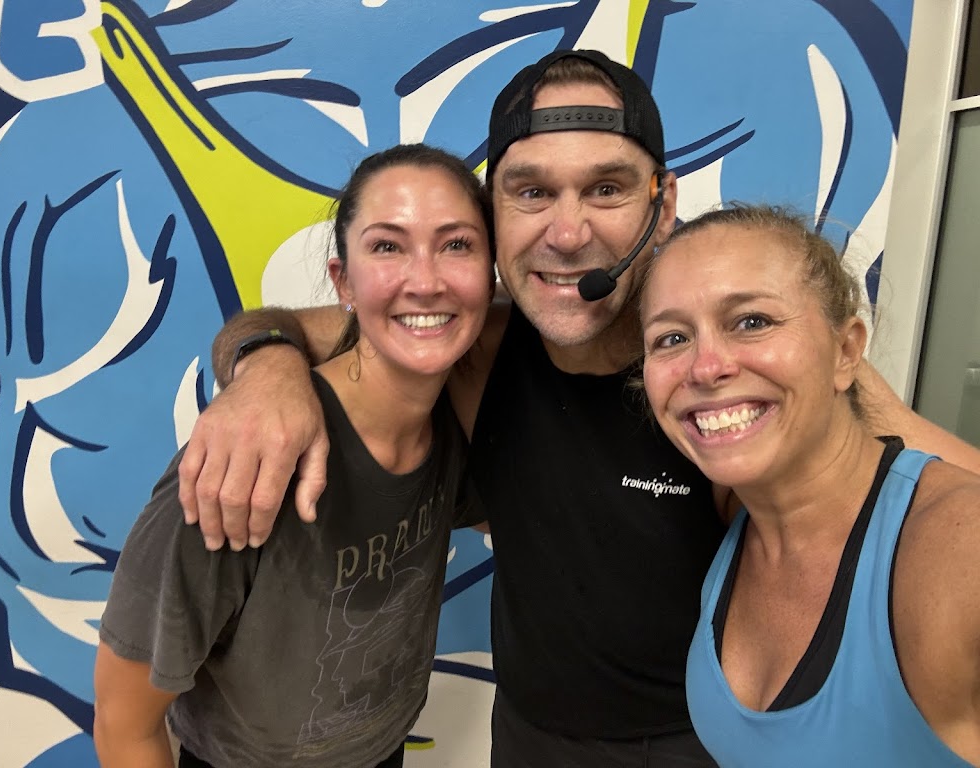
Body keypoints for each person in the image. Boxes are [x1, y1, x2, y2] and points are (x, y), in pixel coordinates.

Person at [174, 50, 980, 766]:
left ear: (662, 204)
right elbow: (293, 326)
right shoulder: (473, 347)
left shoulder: (733, 376)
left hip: (703, 739)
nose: (567, 233)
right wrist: (265, 370)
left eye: (606, 188)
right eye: (532, 192)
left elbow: (935, 494)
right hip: (528, 736)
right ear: (493, 212)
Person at [92, 143, 495, 768]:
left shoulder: (453, 422)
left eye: (457, 244)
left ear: (492, 272)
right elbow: (125, 727)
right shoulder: (247, 461)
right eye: (387, 246)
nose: (425, 280)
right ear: (344, 281)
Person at [639, 204, 980, 767]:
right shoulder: (737, 519)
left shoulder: (958, 551)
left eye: (752, 321)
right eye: (672, 337)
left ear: (846, 351)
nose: (705, 367)